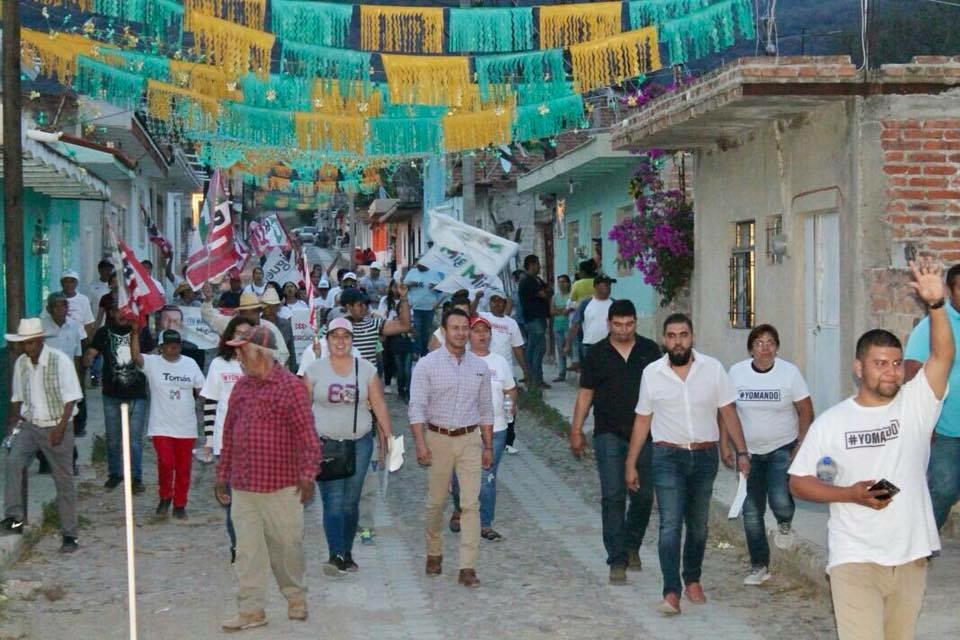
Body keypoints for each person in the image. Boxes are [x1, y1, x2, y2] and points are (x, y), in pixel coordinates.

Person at [789, 260, 951, 640]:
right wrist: (850, 494)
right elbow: (798, 481)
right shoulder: (832, 422)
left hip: (910, 555)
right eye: (880, 364)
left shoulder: (917, 405)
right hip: (855, 557)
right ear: (859, 368)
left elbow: (943, 357)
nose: (891, 372)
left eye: (896, 364)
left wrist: (937, 305)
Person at [625, 313, 751, 615]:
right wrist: (631, 463)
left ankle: (693, 577)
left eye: (683, 335)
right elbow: (643, 420)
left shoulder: (713, 369)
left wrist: (742, 452)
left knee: (698, 525)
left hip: (704, 457)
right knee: (669, 524)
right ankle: (671, 591)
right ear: (664, 339)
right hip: (668, 456)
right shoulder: (652, 373)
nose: (677, 341)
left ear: (692, 337)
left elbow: (728, 412)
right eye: (671, 335)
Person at [215, 326, 321, 630]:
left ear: (261, 353)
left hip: (282, 486)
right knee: (247, 551)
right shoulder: (242, 387)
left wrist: (307, 475)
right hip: (245, 485)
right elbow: (230, 432)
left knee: (287, 547)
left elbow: (308, 436)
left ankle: (296, 596)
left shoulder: (290, 387)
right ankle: (251, 610)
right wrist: (223, 474)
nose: (237, 357)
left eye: (242, 351)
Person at [568, 300, 661, 584]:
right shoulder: (596, 353)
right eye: (618, 325)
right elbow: (586, 393)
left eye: (629, 324)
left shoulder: (650, 351)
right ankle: (617, 559)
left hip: (645, 434)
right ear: (609, 324)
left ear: (635, 322)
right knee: (613, 495)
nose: (623, 330)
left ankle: (632, 543)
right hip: (607, 432)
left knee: (644, 496)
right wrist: (576, 429)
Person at [408, 308, 495, 587]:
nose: (460, 332)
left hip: (469, 439)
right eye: (454, 328)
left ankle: (467, 566)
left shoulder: (480, 368)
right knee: (436, 503)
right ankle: (434, 550)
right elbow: (417, 407)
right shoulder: (427, 365)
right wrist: (420, 442)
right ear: (444, 331)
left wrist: (488, 445)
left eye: (464, 328)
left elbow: (485, 408)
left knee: (471, 503)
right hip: (438, 438)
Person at [303, 318, 393, 575]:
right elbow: (301, 409)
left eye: (345, 336)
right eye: (335, 336)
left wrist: (387, 438)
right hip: (325, 444)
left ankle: (347, 550)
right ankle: (336, 554)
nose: (340, 341)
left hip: (359, 443)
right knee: (332, 500)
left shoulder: (365, 370)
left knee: (351, 502)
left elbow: (379, 405)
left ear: (352, 340)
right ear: (327, 339)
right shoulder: (314, 371)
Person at [729, 324, 814, 586]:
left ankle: (785, 522)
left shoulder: (789, 374)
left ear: (777, 347)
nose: (765, 348)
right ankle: (759, 565)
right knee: (751, 510)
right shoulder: (737, 373)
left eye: (770, 343)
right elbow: (727, 411)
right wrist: (727, 446)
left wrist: (801, 444)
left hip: (781, 446)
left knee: (780, 497)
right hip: (749, 452)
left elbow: (805, 410)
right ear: (750, 348)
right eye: (759, 343)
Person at [0, 319, 83, 552]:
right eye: (24, 344)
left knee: (63, 479)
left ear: (40, 341)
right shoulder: (21, 365)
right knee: (13, 462)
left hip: (57, 424)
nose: (28, 348)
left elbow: (71, 399)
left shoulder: (60, 361)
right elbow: (17, 398)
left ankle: (70, 535)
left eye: (31, 343)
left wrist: (59, 429)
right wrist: (12, 427)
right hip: (30, 425)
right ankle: (14, 518)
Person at [450, 316, 517, 541]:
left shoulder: (500, 362)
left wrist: (511, 405)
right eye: (476, 331)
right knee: (460, 475)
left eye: (485, 331)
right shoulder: (459, 360)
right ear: (468, 334)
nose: (482, 335)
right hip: (465, 429)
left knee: (487, 476)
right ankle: (460, 509)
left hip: (496, 429)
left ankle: (485, 522)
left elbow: (510, 388)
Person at [904, 263, 960, 530]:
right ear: (950, 290)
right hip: (945, 428)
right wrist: (923, 420)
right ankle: (923, 539)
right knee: (945, 488)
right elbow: (912, 369)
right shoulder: (933, 325)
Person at [130, 328, 204, 520]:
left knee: (183, 468)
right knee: (166, 462)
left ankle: (180, 504)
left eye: (177, 344)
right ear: (161, 347)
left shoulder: (190, 364)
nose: (173, 348)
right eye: (169, 345)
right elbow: (136, 357)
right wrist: (135, 334)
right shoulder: (153, 363)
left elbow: (201, 389)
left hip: (186, 426)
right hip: (161, 424)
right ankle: (165, 496)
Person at [83, 299, 156, 493]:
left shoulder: (141, 332)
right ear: (111, 313)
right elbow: (91, 353)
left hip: (137, 393)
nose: (122, 314)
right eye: (117, 310)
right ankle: (115, 474)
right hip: (111, 394)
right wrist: (90, 364)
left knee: (134, 440)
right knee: (114, 438)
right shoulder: (103, 333)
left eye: (125, 310)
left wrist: (138, 332)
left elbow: (152, 356)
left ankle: (136, 477)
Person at [201, 317, 253, 560]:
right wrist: (210, 440)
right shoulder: (219, 365)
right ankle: (238, 546)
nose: (243, 338)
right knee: (233, 499)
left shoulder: (259, 365)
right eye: (239, 333)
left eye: (248, 334)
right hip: (226, 440)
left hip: (256, 442)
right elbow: (210, 403)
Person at [476, 289, 527, 454]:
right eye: (494, 300)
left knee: (509, 407)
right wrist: (476, 298)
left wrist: (526, 370)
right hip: (484, 369)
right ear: (489, 303)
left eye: (500, 301)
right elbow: (469, 313)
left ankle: (508, 441)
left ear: (506, 304)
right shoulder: (484, 318)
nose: (497, 304)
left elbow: (517, 347)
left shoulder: (511, 324)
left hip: (505, 371)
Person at [41, 293, 86, 472]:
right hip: (46, 380)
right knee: (45, 422)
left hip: (67, 382)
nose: (62, 309)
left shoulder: (73, 326)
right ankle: (45, 460)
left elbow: (77, 356)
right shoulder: (42, 327)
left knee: (67, 422)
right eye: (58, 306)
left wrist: (79, 384)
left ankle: (70, 461)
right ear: (49, 309)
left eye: (64, 306)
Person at [201, 289, 290, 365]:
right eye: (246, 313)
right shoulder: (232, 324)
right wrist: (208, 299)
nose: (249, 316)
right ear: (240, 314)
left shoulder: (270, 328)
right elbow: (209, 316)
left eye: (253, 312)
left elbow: (283, 354)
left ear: (259, 312)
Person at [377, 280, 415, 402]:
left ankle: (407, 392)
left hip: (406, 338)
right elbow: (382, 317)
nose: (397, 290)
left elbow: (410, 320)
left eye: (399, 287)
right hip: (391, 337)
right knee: (395, 365)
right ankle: (398, 389)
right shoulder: (385, 301)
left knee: (407, 369)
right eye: (394, 287)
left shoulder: (407, 300)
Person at [565, 273, 616, 363]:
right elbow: (575, 325)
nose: (608, 287)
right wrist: (568, 344)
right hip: (590, 346)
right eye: (605, 284)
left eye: (609, 284)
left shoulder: (615, 304)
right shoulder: (586, 304)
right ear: (596, 286)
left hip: (611, 346)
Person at [518, 255, 551, 388]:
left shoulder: (536, 279)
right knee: (537, 348)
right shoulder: (527, 281)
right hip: (533, 318)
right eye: (537, 264)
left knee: (538, 348)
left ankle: (534, 377)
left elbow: (549, 290)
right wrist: (545, 292)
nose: (540, 266)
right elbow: (544, 294)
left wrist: (546, 291)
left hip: (539, 317)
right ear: (531, 265)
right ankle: (534, 379)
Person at [404, 263, 442, 356]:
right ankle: (417, 352)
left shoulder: (434, 273)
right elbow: (404, 284)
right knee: (417, 330)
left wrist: (435, 287)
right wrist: (412, 283)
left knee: (426, 332)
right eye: (417, 264)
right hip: (416, 307)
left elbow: (441, 288)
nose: (418, 265)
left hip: (429, 308)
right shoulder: (413, 272)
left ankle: (424, 353)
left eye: (420, 263)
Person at [552, 275, 572, 382]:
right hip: (558, 326)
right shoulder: (555, 297)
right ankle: (562, 373)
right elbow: (552, 311)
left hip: (569, 326)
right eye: (559, 282)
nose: (561, 284)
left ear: (568, 283)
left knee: (571, 348)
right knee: (560, 350)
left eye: (564, 282)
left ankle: (574, 369)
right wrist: (563, 310)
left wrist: (561, 310)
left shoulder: (571, 296)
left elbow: (570, 309)